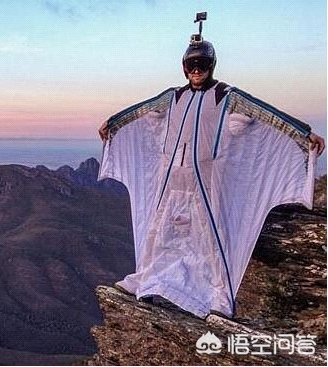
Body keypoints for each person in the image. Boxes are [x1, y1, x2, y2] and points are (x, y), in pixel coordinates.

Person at [97, 14, 324, 319]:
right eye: (191, 65)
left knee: (213, 233)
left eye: (202, 65)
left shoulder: (225, 96)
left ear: (211, 65)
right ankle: (145, 277)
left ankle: (219, 295)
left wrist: (302, 133)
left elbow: (264, 112)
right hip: (172, 176)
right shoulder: (173, 96)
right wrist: (112, 125)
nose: (196, 71)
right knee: (158, 228)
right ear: (184, 67)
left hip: (205, 177)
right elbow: (142, 109)